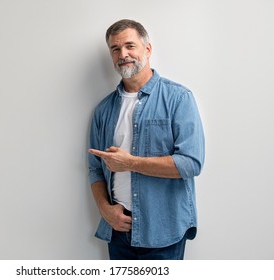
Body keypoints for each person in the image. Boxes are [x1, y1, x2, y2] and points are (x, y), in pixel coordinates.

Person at [88, 19, 205, 260]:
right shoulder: (103, 110)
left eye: (130, 46)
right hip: (118, 232)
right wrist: (104, 209)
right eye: (115, 49)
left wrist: (130, 163)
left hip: (164, 232)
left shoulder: (178, 98)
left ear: (147, 49)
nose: (123, 54)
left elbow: (191, 163)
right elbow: (95, 169)